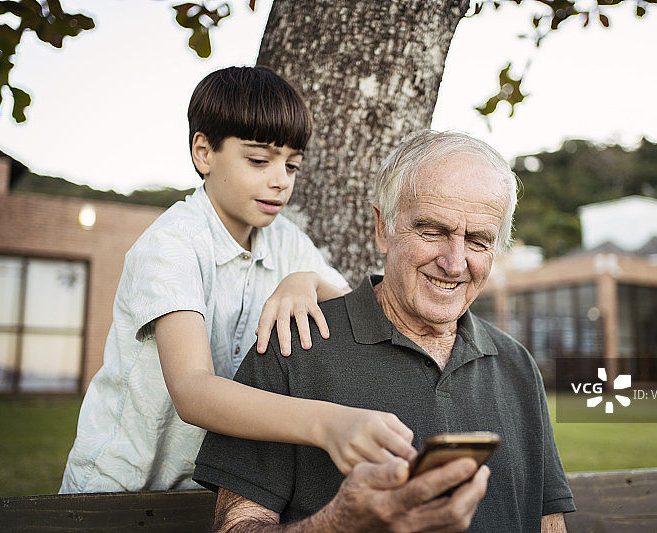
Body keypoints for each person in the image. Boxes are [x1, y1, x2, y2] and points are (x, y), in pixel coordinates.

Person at [193, 130, 575, 531]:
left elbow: (549, 523)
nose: (455, 262)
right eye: (433, 231)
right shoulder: (294, 344)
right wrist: (342, 524)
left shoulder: (517, 364)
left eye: (478, 240)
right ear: (382, 228)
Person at [60, 66, 416, 493]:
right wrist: (327, 423)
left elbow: (353, 314)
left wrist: (305, 280)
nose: (280, 180)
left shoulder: (286, 240)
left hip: (212, 491)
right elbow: (193, 392)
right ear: (204, 153)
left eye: (293, 166)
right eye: (259, 160)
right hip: (118, 490)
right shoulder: (171, 246)